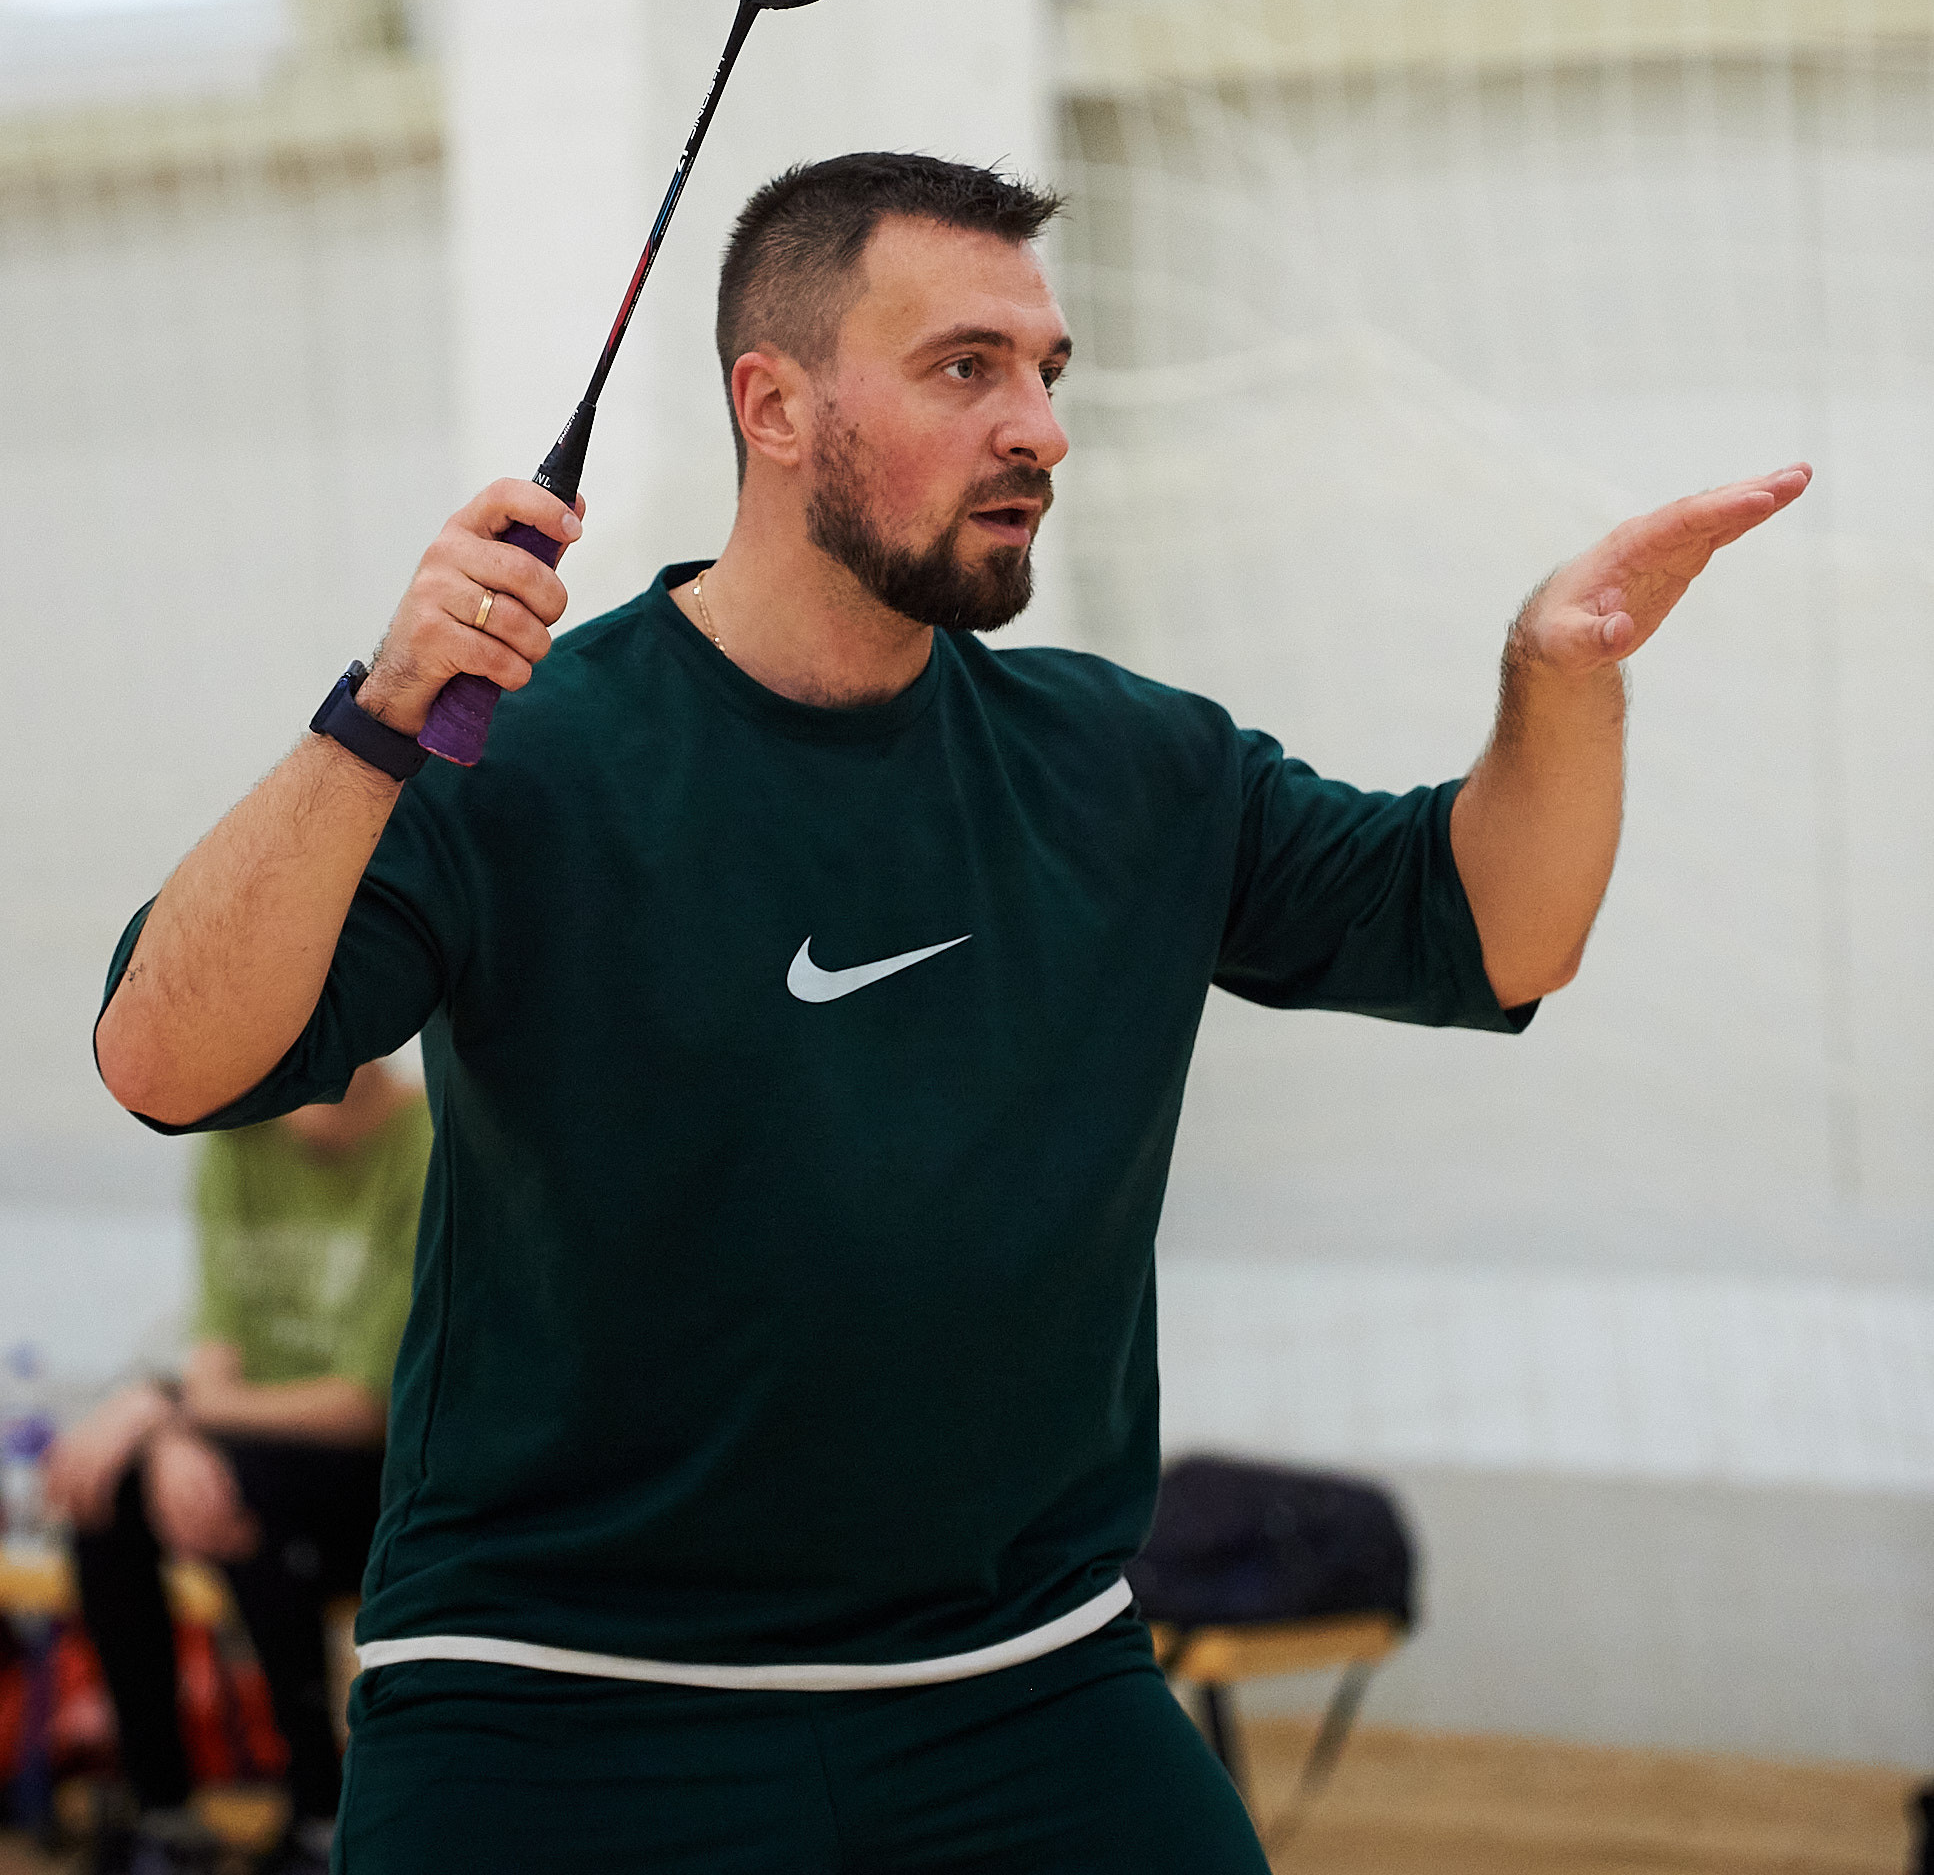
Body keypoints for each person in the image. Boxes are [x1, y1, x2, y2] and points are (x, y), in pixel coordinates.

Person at [93, 153, 1808, 1873]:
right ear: (773, 404)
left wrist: (1557, 680)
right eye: (964, 367)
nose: (1038, 428)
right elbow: (164, 1060)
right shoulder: (520, 755)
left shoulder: (1133, 767)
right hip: (554, 1704)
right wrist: (378, 715)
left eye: (1046, 374)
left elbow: (1498, 933)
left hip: (1019, 1690)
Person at [46, 1061, 430, 1875]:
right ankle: (165, 1810)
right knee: (102, 1491)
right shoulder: (236, 1137)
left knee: (240, 1497)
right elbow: (217, 1367)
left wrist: (164, 1413)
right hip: (251, 1449)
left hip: (391, 1472)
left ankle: (318, 1810)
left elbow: (366, 1403)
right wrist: (166, 1438)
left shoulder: (427, 1143)